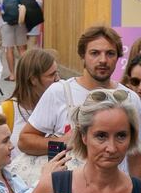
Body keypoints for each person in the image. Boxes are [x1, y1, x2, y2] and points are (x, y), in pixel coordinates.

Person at [3, 89, 141, 193]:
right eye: (101, 136)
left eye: (121, 136)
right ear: (83, 136)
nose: (111, 148)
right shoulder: (54, 186)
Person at [18, 25, 141, 176]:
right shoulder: (59, 91)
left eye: (110, 53)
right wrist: (63, 141)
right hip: (69, 191)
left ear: (118, 57)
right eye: (94, 53)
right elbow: (24, 140)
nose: (103, 60)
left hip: (116, 192)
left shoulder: (130, 98)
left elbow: (135, 154)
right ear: (83, 55)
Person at [0, 49, 59, 183]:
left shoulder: (60, 110)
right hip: (16, 191)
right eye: (52, 75)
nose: (58, 80)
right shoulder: (5, 113)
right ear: (33, 80)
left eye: (57, 73)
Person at [0, 0, 30, 82]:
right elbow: (27, 6)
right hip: (20, 22)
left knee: (9, 49)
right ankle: (25, 74)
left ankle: (12, 75)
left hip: (6, 24)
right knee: (22, 49)